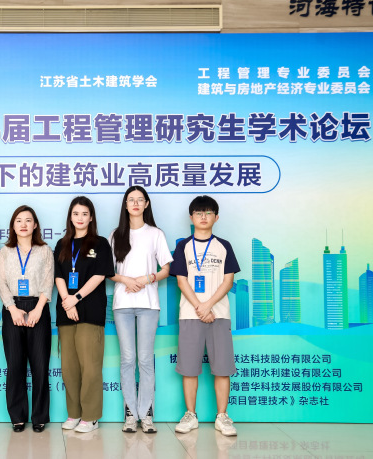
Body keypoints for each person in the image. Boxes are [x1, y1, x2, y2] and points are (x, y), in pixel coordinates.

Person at [169, 195, 240, 437]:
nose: (203, 217)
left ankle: (222, 416)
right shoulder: (183, 246)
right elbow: (181, 281)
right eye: (199, 213)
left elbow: (228, 281)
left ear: (216, 217)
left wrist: (208, 306)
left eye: (208, 213)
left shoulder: (224, 246)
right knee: (189, 367)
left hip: (219, 314)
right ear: (191, 217)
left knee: (222, 367)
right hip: (190, 314)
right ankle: (191, 415)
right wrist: (200, 307)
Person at [109, 186, 172, 433]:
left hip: (148, 304)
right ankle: (130, 413)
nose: (135, 203)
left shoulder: (155, 233)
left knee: (145, 359)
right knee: (128, 359)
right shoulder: (116, 235)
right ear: (125, 205)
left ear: (146, 204)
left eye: (140, 200)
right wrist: (126, 280)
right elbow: (108, 271)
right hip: (122, 305)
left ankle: (146, 414)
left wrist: (146, 279)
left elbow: (166, 269)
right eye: (131, 200)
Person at [54, 196, 115, 433]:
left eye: (84, 214)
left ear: (91, 218)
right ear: (70, 217)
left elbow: (99, 275)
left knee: (90, 366)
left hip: (90, 311)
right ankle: (74, 413)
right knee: (69, 368)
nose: (80, 218)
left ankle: (90, 416)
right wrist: (67, 302)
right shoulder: (62, 244)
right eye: (76, 214)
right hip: (66, 312)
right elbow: (58, 276)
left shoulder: (100, 243)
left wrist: (76, 298)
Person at [0, 205, 54, 433]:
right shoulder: (5, 252)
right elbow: (1, 282)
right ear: (13, 225)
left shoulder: (44, 250)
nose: (23, 224)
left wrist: (38, 309)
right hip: (13, 309)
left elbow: (48, 281)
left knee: (40, 366)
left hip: (38, 307)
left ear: (35, 225)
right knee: (15, 365)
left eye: (28, 220)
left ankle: (39, 416)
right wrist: (12, 308)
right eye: (19, 220)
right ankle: (17, 416)